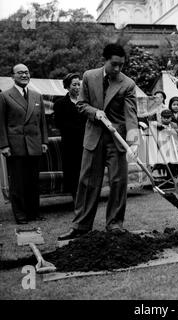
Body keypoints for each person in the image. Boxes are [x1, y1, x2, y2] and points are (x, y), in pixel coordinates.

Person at [58, 43, 139, 240]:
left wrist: (133, 142)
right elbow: (81, 105)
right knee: (87, 183)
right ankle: (81, 226)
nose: (118, 69)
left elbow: (131, 116)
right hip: (94, 137)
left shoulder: (127, 84)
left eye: (121, 65)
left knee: (118, 182)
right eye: (114, 64)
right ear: (105, 60)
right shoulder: (89, 76)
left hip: (116, 139)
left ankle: (115, 225)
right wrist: (95, 113)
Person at [0, 64, 48, 224]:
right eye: (20, 73)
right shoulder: (5, 96)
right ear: (12, 76)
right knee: (18, 183)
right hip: (16, 146)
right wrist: (4, 145)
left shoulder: (37, 95)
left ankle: (34, 213)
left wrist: (44, 141)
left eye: (26, 72)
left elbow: (42, 122)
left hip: (34, 144)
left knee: (33, 182)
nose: (24, 75)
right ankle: (20, 215)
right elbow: (1, 124)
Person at [53, 73, 86, 202]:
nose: (77, 87)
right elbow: (59, 124)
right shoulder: (60, 104)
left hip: (85, 143)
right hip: (70, 144)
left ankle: (86, 199)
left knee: (85, 172)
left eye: (79, 84)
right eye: (74, 84)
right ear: (67, 86)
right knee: (73, 173)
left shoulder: (85, 103)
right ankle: (76, 199)